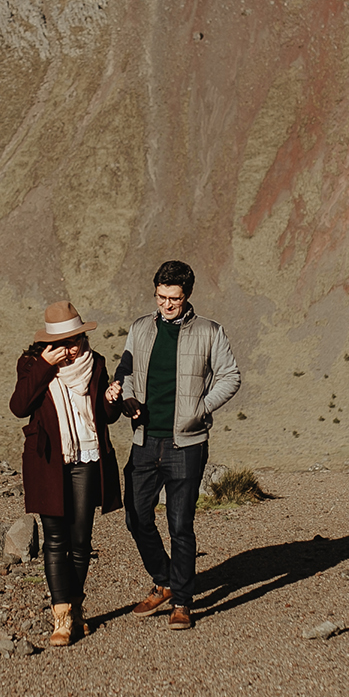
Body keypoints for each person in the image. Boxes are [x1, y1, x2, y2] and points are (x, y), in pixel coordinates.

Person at [117, 260, 240, 630]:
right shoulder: (140, 328)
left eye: (174, 298)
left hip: (186, 442)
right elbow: (125, 370)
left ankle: (183, 601)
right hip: (144, 437)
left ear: (187, 296)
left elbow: (230, 376)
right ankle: (165, 579)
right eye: (161, 297)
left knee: (180, 524)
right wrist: (126, 396)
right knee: (136, 516)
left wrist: (201, 408)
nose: (166, 304)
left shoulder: (209, 331)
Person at [9, 300, 124, 647]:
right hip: (49, 460)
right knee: (55, 540)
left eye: (77, 340)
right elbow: (20, 406)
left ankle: (76, 608)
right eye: (64, 343)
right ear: (50, 344)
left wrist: (111, 399)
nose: (73, 348)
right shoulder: (32, 364)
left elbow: (104, 416)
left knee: (81, 541)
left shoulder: (97, 363)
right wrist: (45, 365)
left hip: (88, 457)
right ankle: (62, 618)